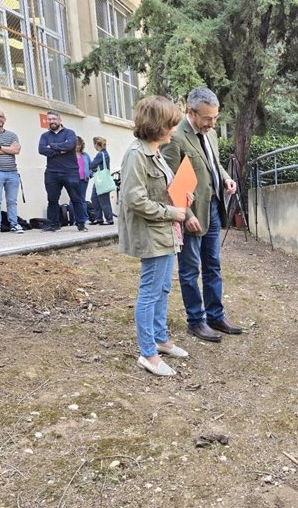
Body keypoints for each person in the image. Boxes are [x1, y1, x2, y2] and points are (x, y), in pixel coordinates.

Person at [161, 87, 242, 342]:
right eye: (207, 118)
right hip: (192, 214)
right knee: (189, 269)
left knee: (213, 265)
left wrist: (227, 179)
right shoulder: (176, 137)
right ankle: (196, 320)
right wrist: (185, 215)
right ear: (191, 112)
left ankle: (216, 316)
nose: (212, 123)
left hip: (213, 209)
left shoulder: (212, 135)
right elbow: (171, 180)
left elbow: (214, 164)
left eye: (215, 117)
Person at [119, 95, 191, 376]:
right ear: (158, 125)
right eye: (171, 124)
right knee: (149, 293)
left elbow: (164, 189)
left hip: (164, 233)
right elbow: (134, 199)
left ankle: (160, 340)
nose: (175, 129)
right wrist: (173, 213)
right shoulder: (136, 154)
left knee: (162, 289)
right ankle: (148, 353)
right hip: (152, 234)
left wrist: (184, 193)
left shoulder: (155, 151)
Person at [38, 110, 88, 232]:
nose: (51, 121)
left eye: (54, 119)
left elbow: (70, 145)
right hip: (52, 173)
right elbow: (41, 150)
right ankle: (54, 224)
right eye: (49, 119)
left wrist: (52, 146)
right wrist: (61, 149)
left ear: (60, 120)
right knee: (52, 199)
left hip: (70, 172)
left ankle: (81, 224)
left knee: (76, 198)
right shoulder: (45, 136)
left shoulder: (69, 133)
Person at [89, 136, 114, 225]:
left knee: (104, 200)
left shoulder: (100, 154)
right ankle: (99, 218)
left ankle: (109, 219)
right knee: (94, 198)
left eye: (94, 144)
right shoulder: (104, 153)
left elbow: (92, 165)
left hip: (101, 180)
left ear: (96, 144)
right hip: (99, 180)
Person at [72, 136, 91, 220]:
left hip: (84, 179)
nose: (78, 146)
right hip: (73, 179)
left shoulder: (85, 155)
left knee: (82, 199)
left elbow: (91, 166)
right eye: (76, 145)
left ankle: (84, 218)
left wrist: (90, 173)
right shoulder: (69, 156)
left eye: (79, 145)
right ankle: (74, 218)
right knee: (73, 199)